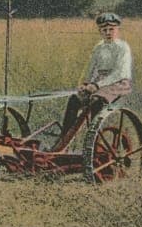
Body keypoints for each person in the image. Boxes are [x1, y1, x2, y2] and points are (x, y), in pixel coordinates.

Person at [57, 12, 133, 147]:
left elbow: (119, 73)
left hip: (118, 83)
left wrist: (97, 85)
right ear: (100, 31)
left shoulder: (123, 47)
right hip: (98, 83)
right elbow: (90, 68)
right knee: (74, 100)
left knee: (96, 101)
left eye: (111, 29)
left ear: (118, 30)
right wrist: (85, 83)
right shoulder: (99, 47)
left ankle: (93, 143)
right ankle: (64, 141)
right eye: (104, 30)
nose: (108, 32)